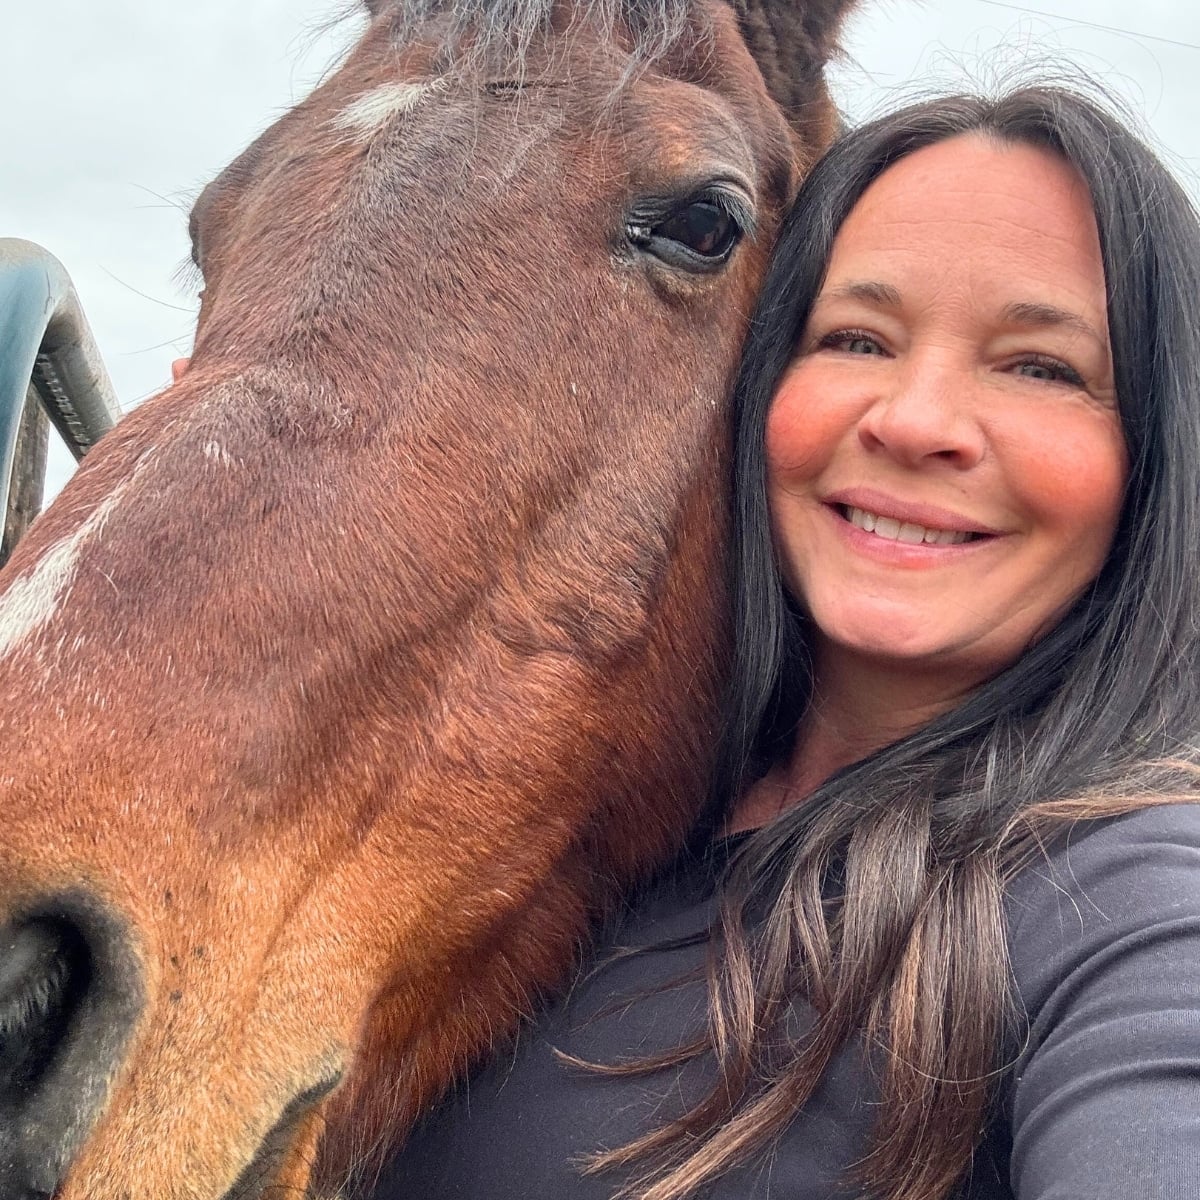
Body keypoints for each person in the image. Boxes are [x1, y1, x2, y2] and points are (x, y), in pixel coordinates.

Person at [394, 84, 1200, 1198]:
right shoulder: (600, 819)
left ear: (1154, 452)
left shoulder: (1130, 898)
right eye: (856, 339)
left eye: (1040, 367)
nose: (913, 421)